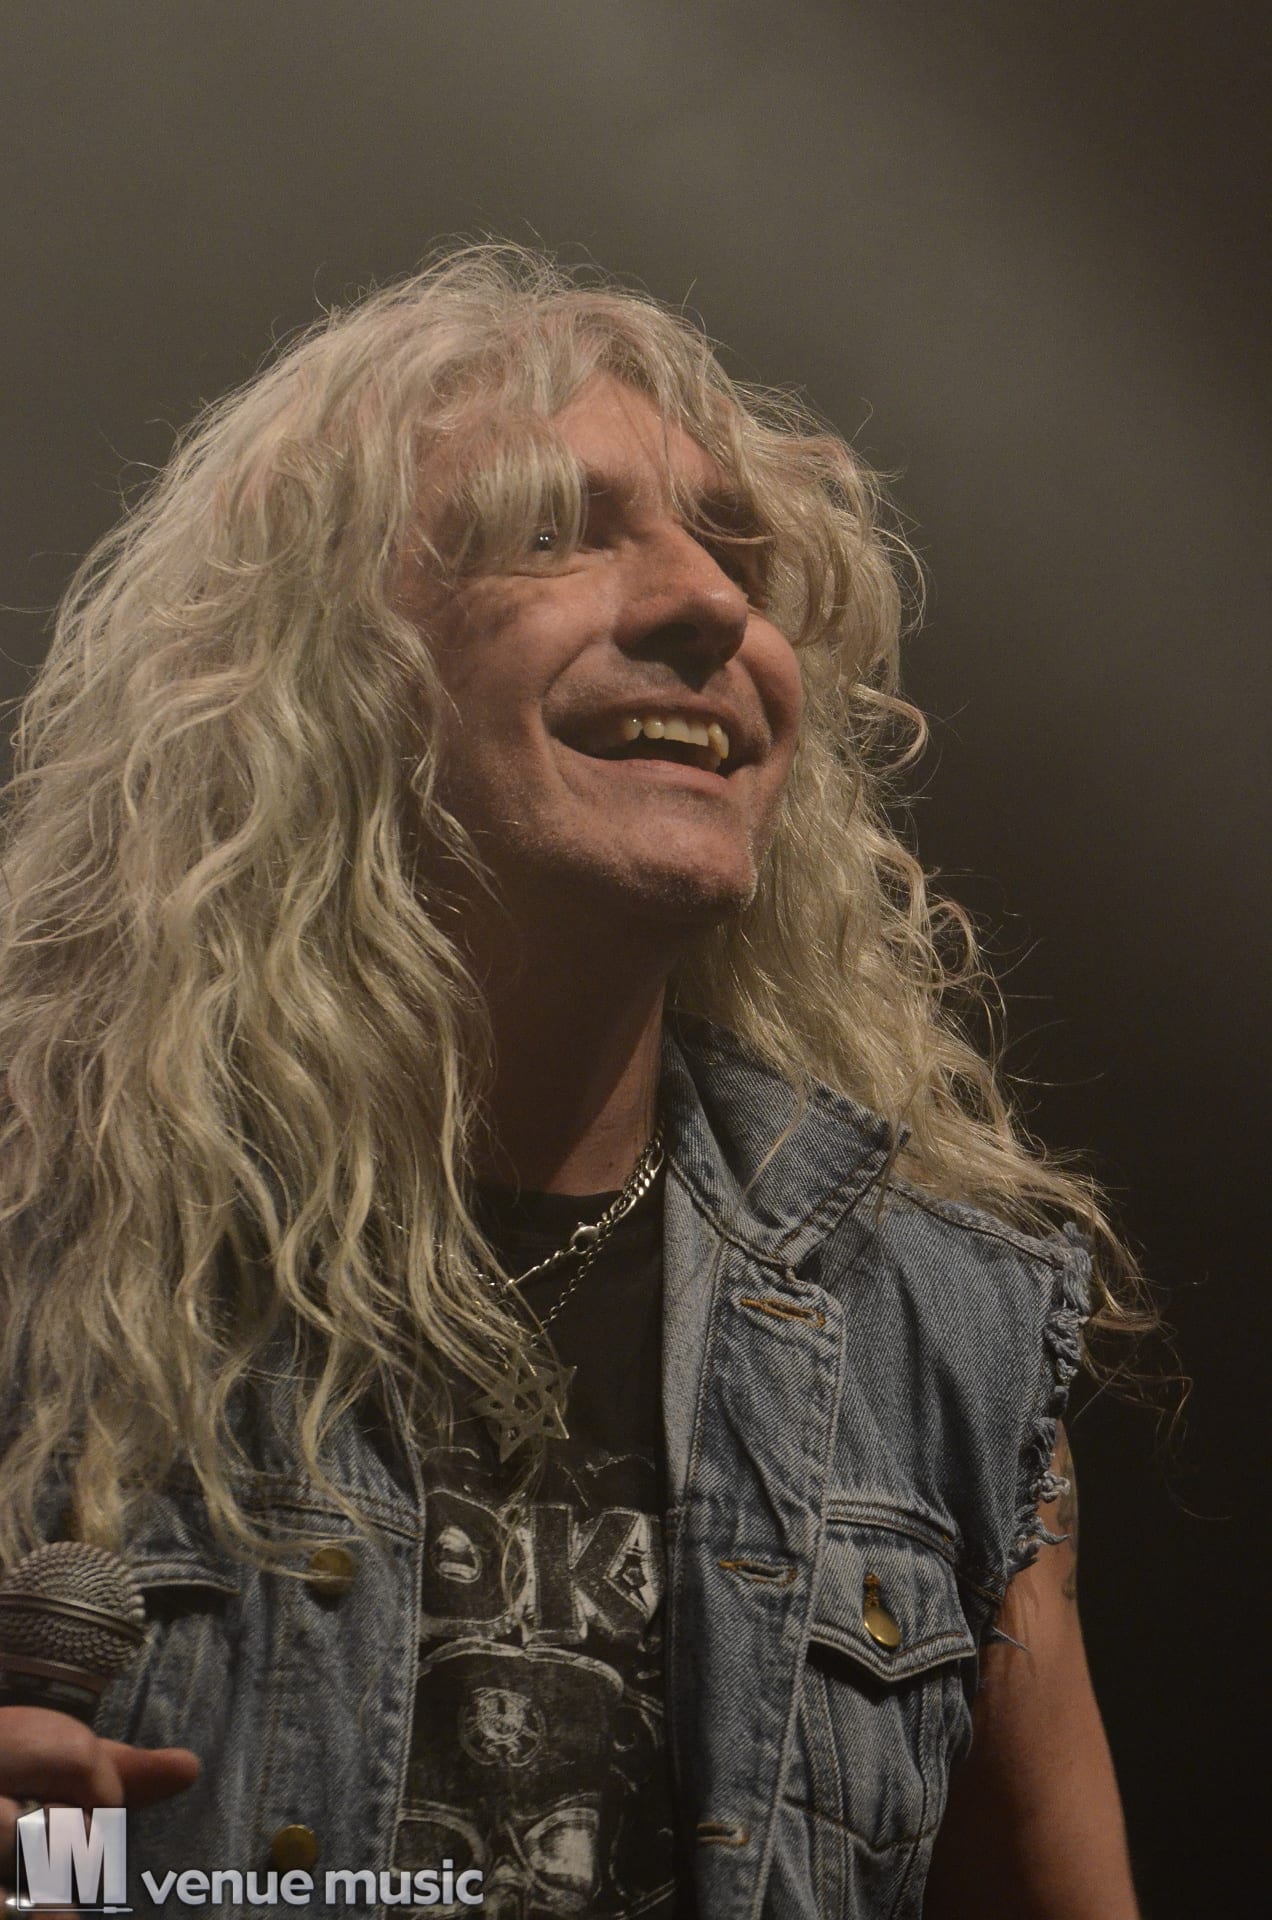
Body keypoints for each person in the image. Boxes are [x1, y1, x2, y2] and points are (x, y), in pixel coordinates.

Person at [0, 246, 1145, 1917]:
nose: (712, 605)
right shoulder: (46, 1240)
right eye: (556, 531)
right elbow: (61, 1865)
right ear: (323, 673)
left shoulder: (930, 1329)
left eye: (737, 552)